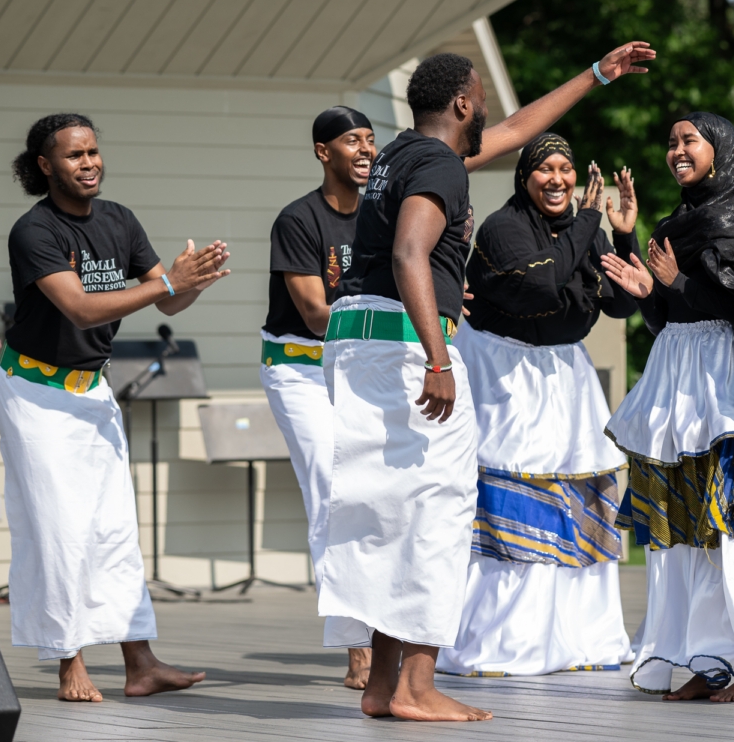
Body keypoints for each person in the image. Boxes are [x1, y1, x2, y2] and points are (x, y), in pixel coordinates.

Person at [320, 42, 655, 721]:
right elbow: (411, 252)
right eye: (480, 101)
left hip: (361, 337)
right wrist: (439, 359)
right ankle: (415, 688)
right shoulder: (439, 165)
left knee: (397, 514)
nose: (488, 115)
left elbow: (520, 128)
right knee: (438, 513)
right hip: (404, 345)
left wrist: (595, 75)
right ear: (462, 103)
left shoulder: (400, 155)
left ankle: (384, 685)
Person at [0, 114, 230, 702]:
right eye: (75, 155)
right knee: (59, 528)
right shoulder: (34, 231)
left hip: (92, 389)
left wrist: (192, 281)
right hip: (35, 392)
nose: (89, 163)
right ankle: (68, 662)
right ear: (46, 165)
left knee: (114, 529)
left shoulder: (119, 219)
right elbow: (80, 309)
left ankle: (140, 664)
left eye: (93, 151)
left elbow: (166, 303)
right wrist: (169, 284)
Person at [601, 112, 734, 702]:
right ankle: (706, 660)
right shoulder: (676, 223)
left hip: (725, 384)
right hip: (677, 375)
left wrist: (678, 284)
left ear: (722, 149)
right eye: (671, 142)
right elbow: (665, 314)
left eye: (689, 140)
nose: (677, 150)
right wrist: (650, 286)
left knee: (726, 521)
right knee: (686, 525)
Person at [437, 134, 639, 677]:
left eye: (565, 169)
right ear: (525, 177)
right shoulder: (502, 229)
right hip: (507, 375)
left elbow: (622, 302)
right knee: (518, 496)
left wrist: (623, 235)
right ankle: (505, 639)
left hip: (566, 377)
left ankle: (580, 638)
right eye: (545, 169)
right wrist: (588, 222)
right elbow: (542, 286)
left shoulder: (585, 228)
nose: (557, 179)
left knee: (575, 500)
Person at [259, 106, 375, 689]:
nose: (365, 149)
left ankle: (387, 631)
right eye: (352, 140)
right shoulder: (298, 219)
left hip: (362, 367)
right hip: (300, 369)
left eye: (371, 140)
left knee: (376, 492)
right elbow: (313, 313)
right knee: (333, 492)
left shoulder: (383, 217)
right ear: (323, 152)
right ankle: (358, 648)